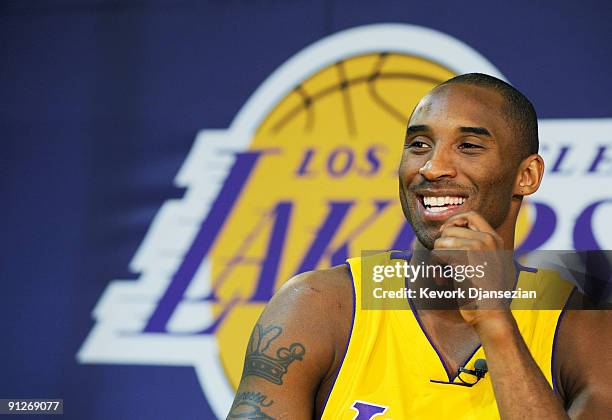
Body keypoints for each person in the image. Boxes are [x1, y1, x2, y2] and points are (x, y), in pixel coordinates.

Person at [227, 73, 612, 419]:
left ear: (526, 176)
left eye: (469, 146)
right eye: (420, 144)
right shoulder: (318, 306)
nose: (432, 167)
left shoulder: (584, 329)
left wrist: (494, 322)